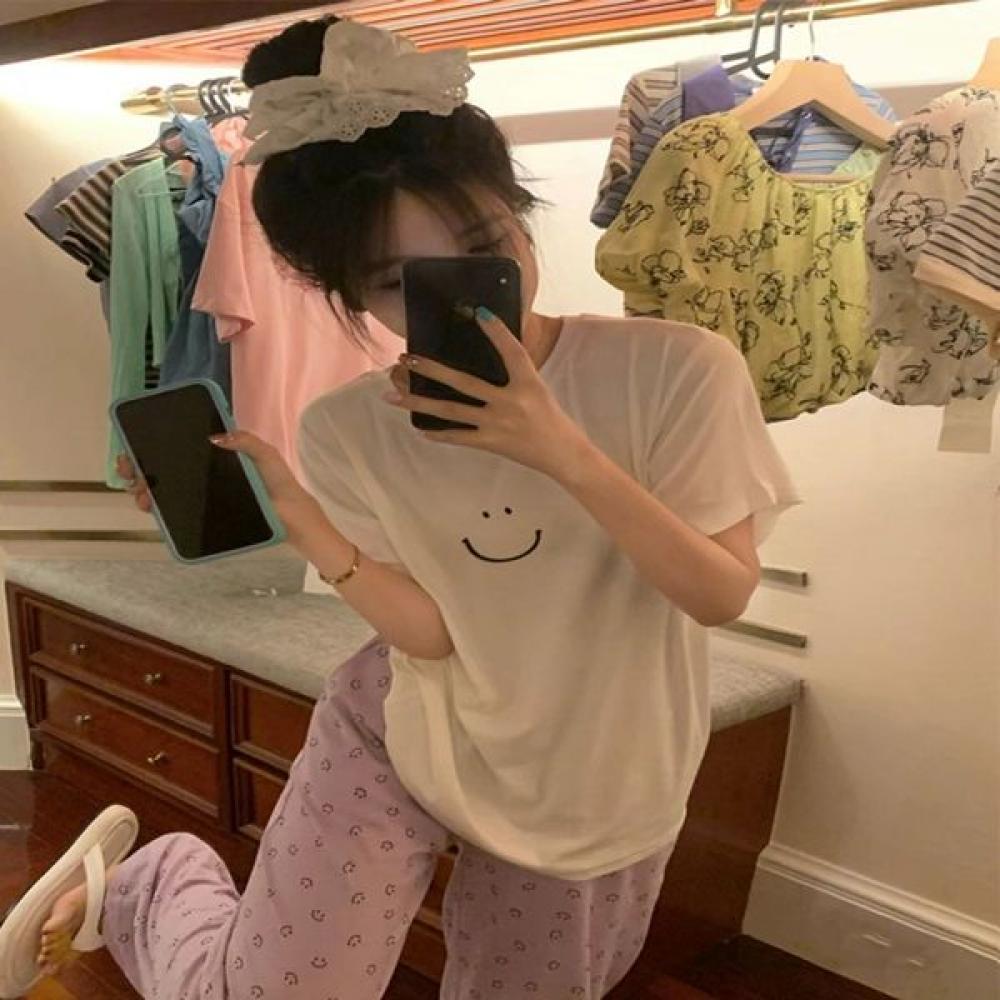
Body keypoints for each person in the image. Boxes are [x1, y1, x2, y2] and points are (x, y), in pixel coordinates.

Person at [0, 15, 802, 1000]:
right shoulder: (348, 428)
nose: (451, 297)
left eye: (480, 246)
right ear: (344, 294)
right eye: (393, 281)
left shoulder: (676, 370)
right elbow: (428, 635)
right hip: (399, 728)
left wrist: (561, 451)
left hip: (593, 769)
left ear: (518, 216)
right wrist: (305, 519)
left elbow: (719, 593)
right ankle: (149, 885)